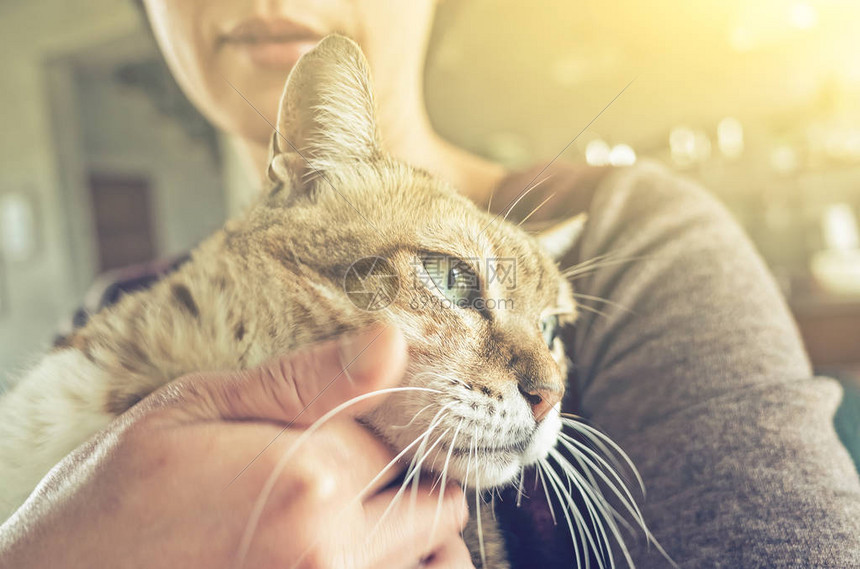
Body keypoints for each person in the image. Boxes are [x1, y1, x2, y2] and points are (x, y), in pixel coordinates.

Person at [3, 1, 860, 568]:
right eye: (454, 280)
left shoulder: (644, 234)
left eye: (551, 330)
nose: (542, 387)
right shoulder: (108, 305)